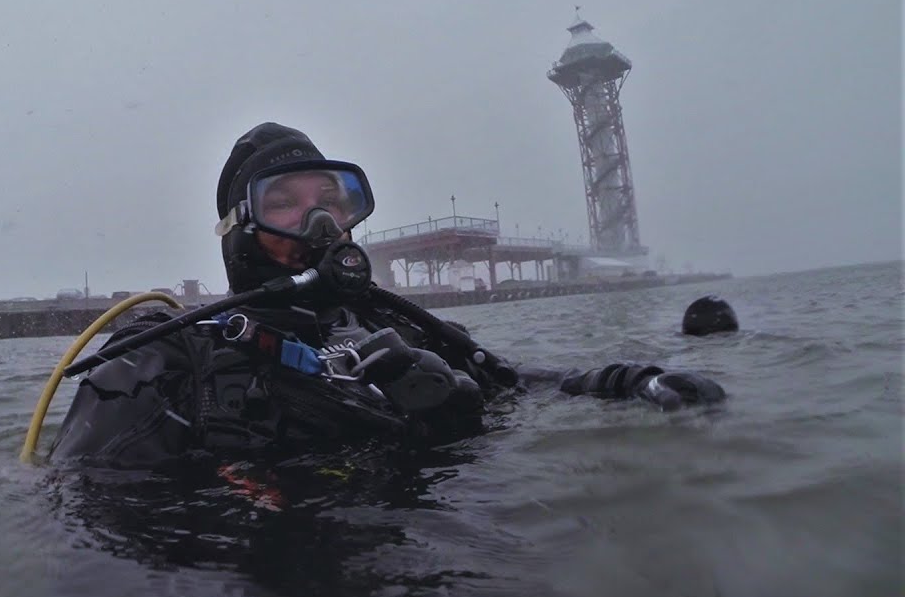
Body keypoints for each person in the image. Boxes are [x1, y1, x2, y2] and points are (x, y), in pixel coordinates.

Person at [50, 122, 725, 467]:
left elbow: (513, 384)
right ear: (238, 229)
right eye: (284, 203)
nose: (320, 223)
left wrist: (628, 377)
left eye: (333, 201)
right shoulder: (169, 354)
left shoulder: (390, 321)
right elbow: (81, 526)